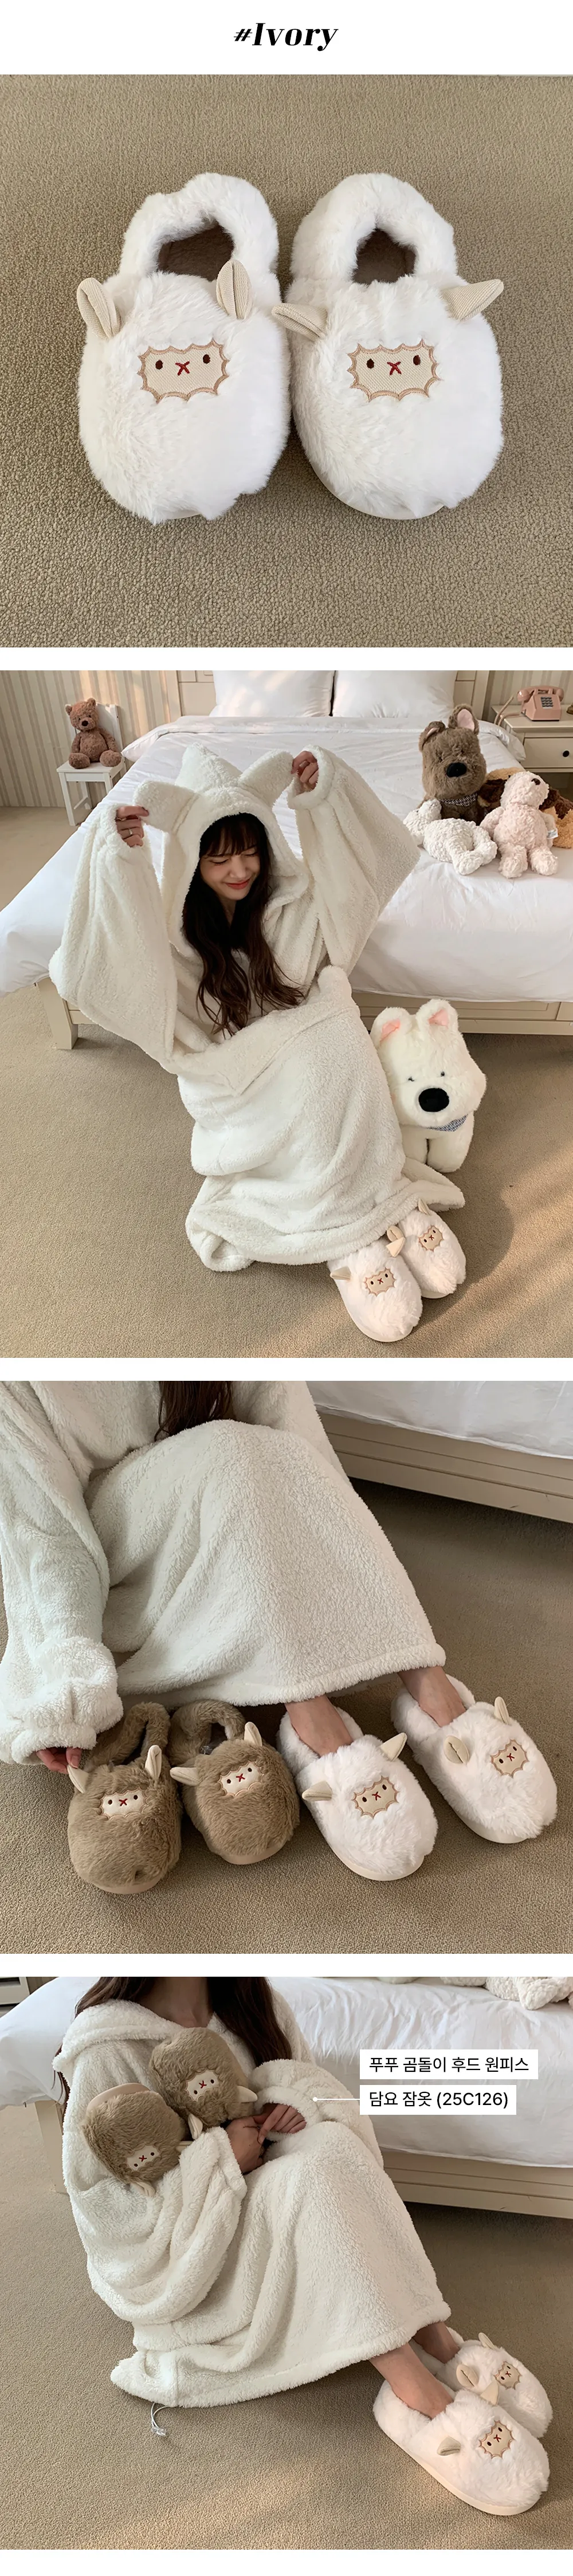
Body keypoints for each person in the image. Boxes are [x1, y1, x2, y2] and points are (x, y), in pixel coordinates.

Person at [48, 740, 466, 1343]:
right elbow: (109, 971)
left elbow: (358, 882)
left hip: (314, 1045)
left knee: (340, 1041)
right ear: (193, 859)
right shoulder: (177, 941)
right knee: (315, 1068)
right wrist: (120, 860)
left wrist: (325, 799)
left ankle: (386, 1197)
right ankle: (347, 1238)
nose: (239, 870)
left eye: (250, 851)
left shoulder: (291, 904)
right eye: (219, 858)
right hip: (239, 1079)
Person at [0, 1379, 466, 1801]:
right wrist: (65, 1677)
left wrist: (347, 1559)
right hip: (124, 1552)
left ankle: (425, 1677)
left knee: (265, 1452)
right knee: (229, 1450)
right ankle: (311, 1711)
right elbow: (46, 1533)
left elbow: (304, 1452)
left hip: (233, 1508)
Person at [56, 1972, 460, 2420]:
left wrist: (288, 2103)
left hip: (273, 2195)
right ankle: (412, 2384)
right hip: (202, 2251)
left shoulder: (257, 2005)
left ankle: (435, 2334)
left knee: (333, 2145)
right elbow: (104, 2210)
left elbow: (310, 2086)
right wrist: (220, 2159)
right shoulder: (107, 2047)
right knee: (308, 2177)